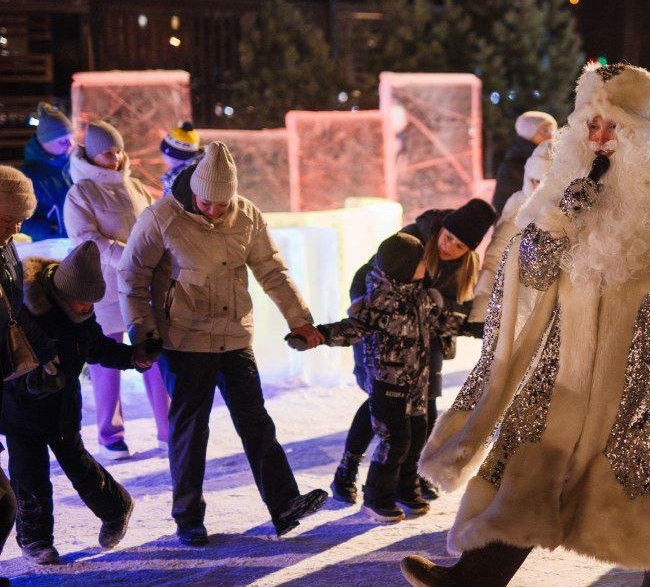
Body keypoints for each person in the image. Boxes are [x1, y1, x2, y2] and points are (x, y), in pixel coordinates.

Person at [404, 62, 650, 587]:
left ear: (644, 128)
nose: (600, 138)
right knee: (534, 458)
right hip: (565, 359)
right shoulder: (566, 183)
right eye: (592, 125)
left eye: (613, 126)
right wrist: (558, 220)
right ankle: (475, 578)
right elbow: (525, 270)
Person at [118, 142, 328, 546]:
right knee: (190, 431)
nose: (214, 210)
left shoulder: (246, 214)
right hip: (182, 340)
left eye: (222, 202)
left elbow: (273, 271)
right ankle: (188, 517)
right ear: (193, 191)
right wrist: (142, 332)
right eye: (206, 202)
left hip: (233, 336)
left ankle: (284, 505)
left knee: (256, 422)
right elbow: (132, 277)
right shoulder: (161, 217)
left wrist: (300, 321)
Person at [329, 198, 494, 508]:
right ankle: (346, 470)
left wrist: (467, 326)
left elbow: (457, 306)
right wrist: (368, 313)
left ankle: (410, 478)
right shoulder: (412, 239)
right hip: (385, 333)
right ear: (442, 228)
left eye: (459, 247)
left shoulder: (465, 266)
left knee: (425, 407)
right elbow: (366, 276)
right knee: (382, 405)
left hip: (426, 335)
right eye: (448, 238)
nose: (449, 249)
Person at [2, 243, 150, 565]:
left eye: (91, 304)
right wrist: (32, 381)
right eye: (83, 302)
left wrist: (133, 359)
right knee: (29, 478)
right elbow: (9, 359)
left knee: (80, 468)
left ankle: (116, 507)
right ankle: (36, 540)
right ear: (62, 293)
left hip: (61, 411)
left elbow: (96, 348)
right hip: (19, 412)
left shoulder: (81, 317)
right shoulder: (25, 311)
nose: (87, 309)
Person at [298, 233, 444, 522]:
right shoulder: (381, 302)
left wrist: (478, 326)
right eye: (419, 262)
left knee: (416, 436)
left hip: (417, 382)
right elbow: (353, 327)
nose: (425, 265)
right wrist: (319, 335)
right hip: (388, 383)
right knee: (395, 440)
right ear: (405, 267)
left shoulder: (421, 296)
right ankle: (377, 497)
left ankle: (405, 489)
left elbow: (444, 321)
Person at [64, 120, 170, 461]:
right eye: (109, 152)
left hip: (141, 286)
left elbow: (153, 229)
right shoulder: (80, 192)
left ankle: (168, 428)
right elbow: (86, 239)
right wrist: (128, 257)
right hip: (104, 286)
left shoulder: (136, 188)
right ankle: (110, 434)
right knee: (107, 360)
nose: (116, 157)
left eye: (119, 150)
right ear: (93, 156)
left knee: (152, 353)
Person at [0, 166, 60, 587]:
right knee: (2, 501)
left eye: (22, 219)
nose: (17, 229)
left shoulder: (6, 251)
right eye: (8, 219)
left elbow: (15, 311)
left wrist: (38, 353)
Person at [469, 141, 552, 324]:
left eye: (543, 182)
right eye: (534, 180)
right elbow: (495, 256)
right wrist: (480, 311)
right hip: (515, 297)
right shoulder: (517, 203)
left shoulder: (563, 209)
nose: (538, 187)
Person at [19, 102, 76, 241]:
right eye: (62, 141)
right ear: (45, 142)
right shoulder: (28, 175)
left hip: (81, 240)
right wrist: (54, 233)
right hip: (54, 247)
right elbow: (22, 218)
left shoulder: (74, 164)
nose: (69, 145)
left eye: (71, 139)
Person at [491, 111, 556, 217]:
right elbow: (506, 207)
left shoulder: (550, 159)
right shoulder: (514, 165)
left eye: (553, 131)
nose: (551, 136)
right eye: (545, 131)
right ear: (529, 133)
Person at [159, 122, 202, 196]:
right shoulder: (177, 171)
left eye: (167, 155)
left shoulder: (182, 180)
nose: (163, 157)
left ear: (180, 157)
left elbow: (170, 203)